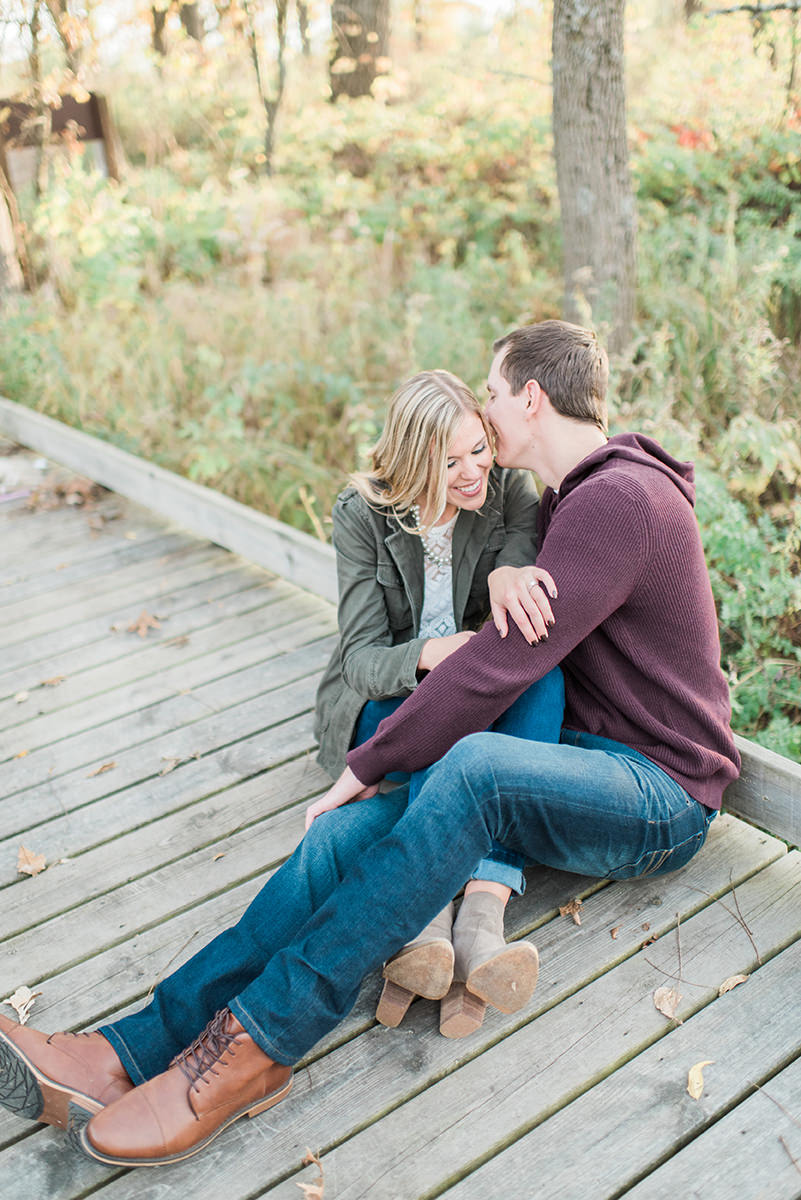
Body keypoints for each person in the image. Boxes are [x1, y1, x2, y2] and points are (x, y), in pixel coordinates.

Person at [0, 320, 740, 1171]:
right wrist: (369, 775)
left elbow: (498, 665)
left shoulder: (618, 502)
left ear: (530, 397)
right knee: (336, 840)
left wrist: (365, 762)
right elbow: (507, 618)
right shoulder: (575, 498)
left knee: (471, 770)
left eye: (492, 393)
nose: (486, 406)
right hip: (583, 764)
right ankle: (128, 1050)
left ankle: (255, 1047)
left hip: (659, 796)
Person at [314, 368, 564, 1034]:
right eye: (448, 461)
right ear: (409, 461)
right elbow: (362, 661)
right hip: (387, 698)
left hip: (476, 684)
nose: (471, 471)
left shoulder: (508, 489)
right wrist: (433, 654)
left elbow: (516, 560)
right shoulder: (362, 512)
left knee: (543, 677)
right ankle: (426, 912)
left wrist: (504, 587)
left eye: (477, 449)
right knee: (436, 698)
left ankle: (481, 909)